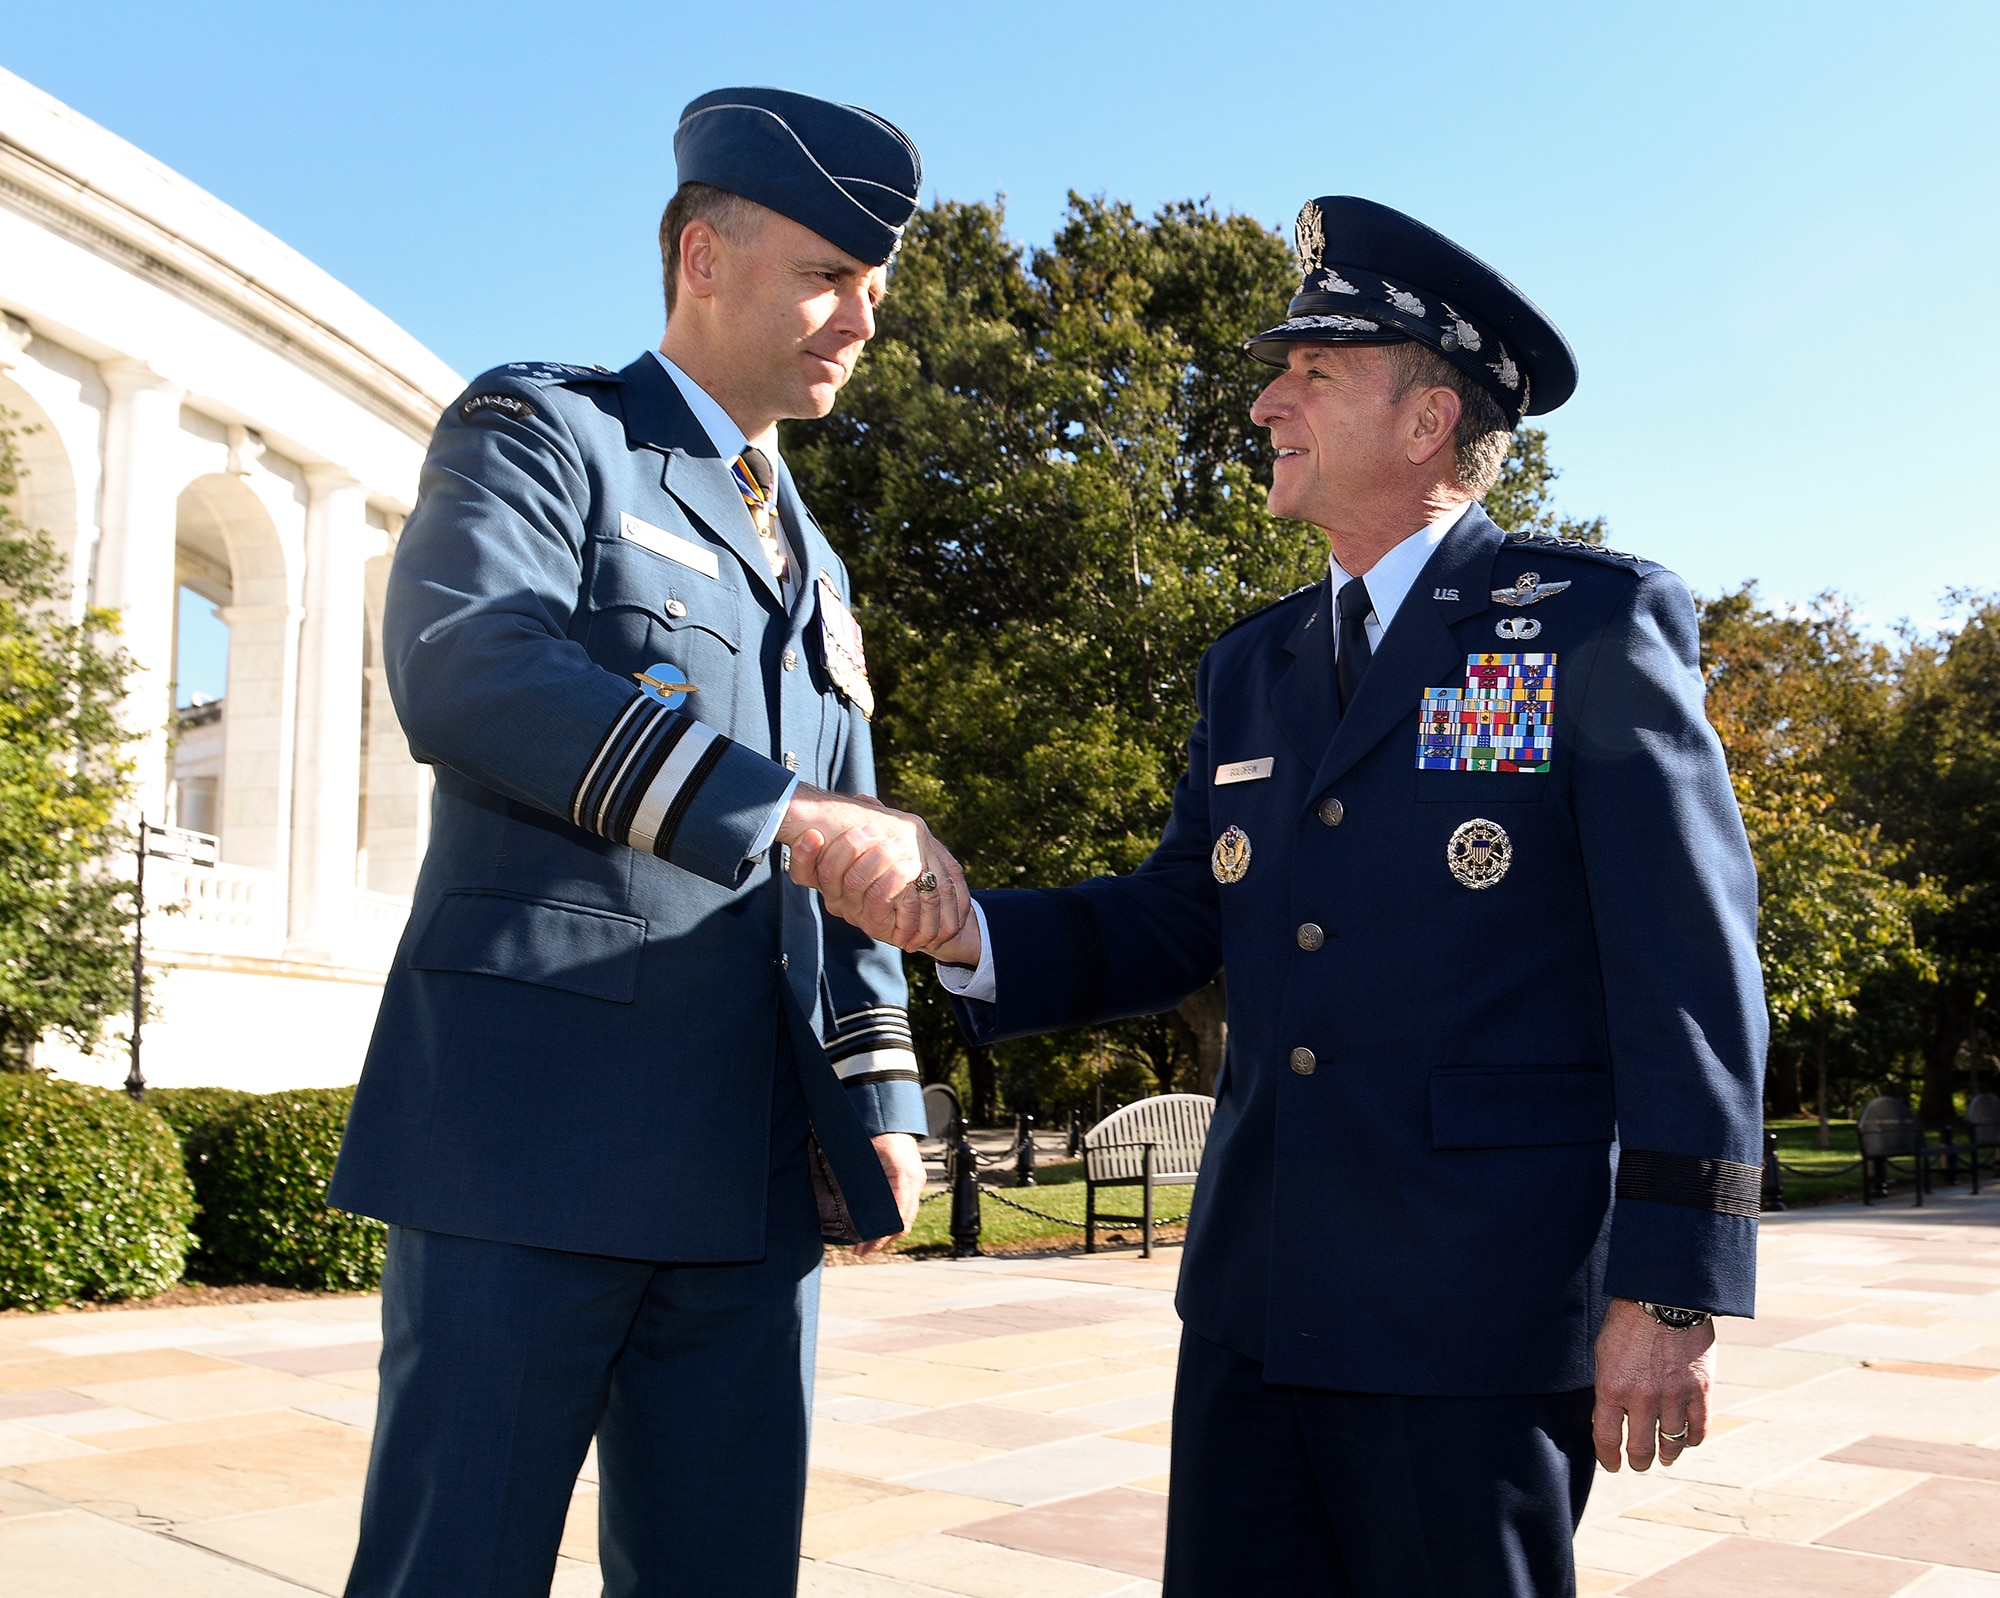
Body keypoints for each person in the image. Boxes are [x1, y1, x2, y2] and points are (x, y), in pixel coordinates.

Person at [794, 196, 1766, 1597]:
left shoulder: (1588, 625)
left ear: (1428, 419)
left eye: (1311, 373)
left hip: (1473, 1315)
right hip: (1255, 1303)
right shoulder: (1248, 666)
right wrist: (967, 926)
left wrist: (1670, 1287)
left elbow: (1690, 972)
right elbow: (1181, 915)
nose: (1264, 403)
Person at [329, 87, 970, 1598]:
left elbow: (856, 834)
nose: (859, 321)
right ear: (701, 255)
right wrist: (770, 807)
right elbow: (469, 662)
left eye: (872, 291)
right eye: (827, 276)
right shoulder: (544, 432)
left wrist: (880, 1085)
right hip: (533, 1143)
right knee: (454, 1565)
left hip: (753, 1171)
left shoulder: (809, 555)